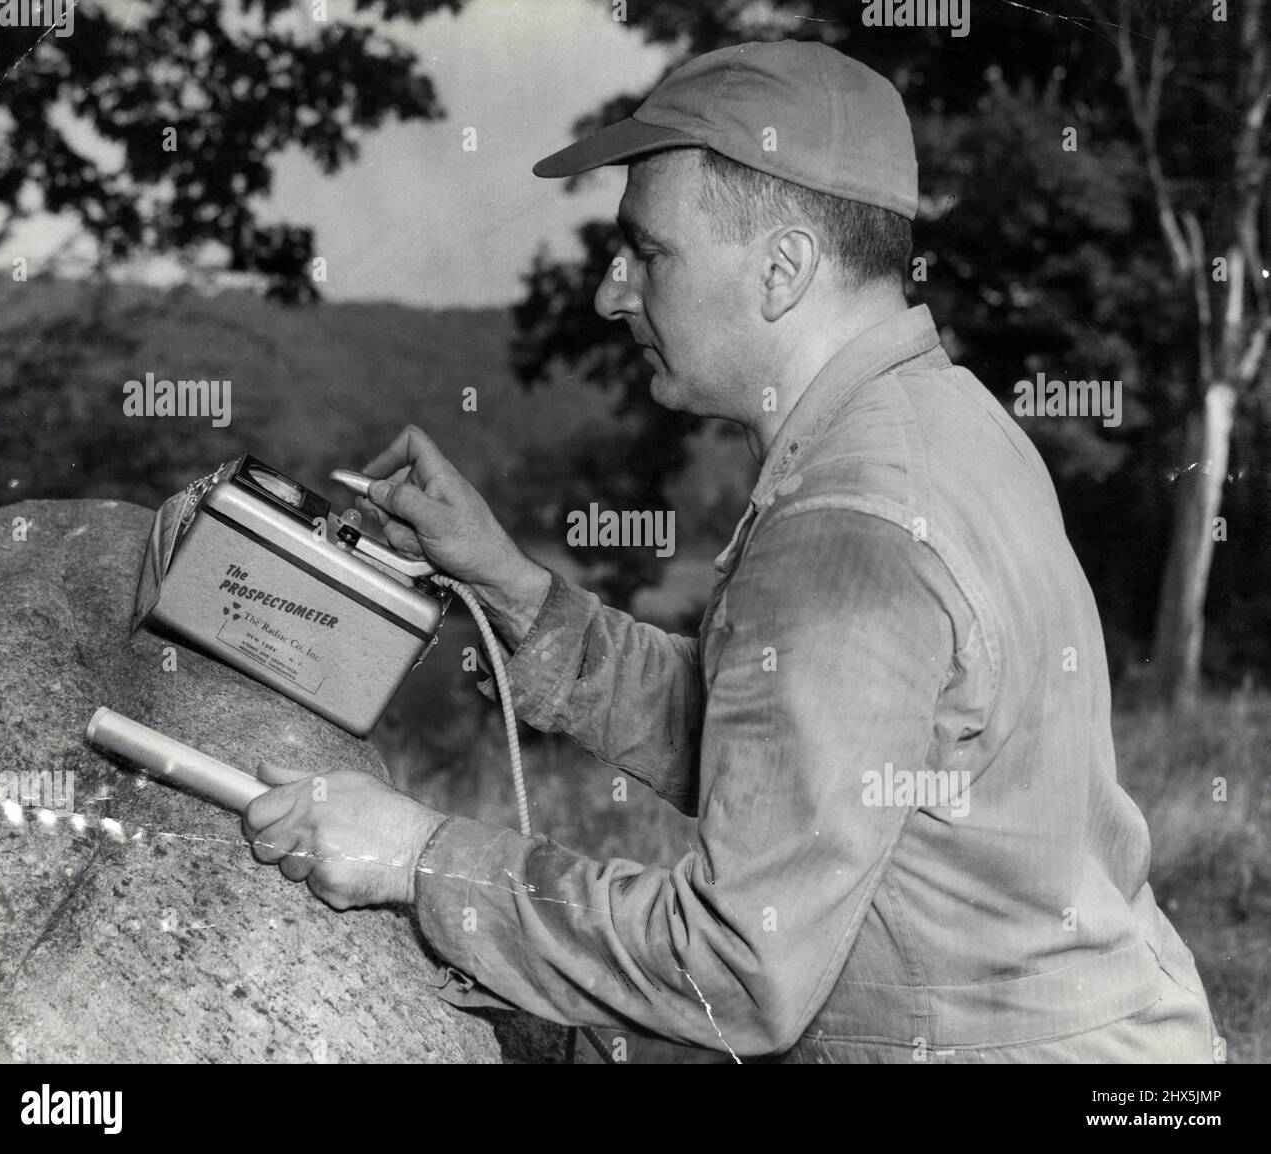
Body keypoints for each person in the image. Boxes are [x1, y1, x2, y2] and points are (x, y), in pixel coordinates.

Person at [243, 39, 1216, 1063]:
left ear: (783, 267)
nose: (611, 295)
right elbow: (775, 742)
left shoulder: (848, 524)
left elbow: (735, 971)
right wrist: (513, 587)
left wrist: (416, 855)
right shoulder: (938, 420)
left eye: (647, 253)